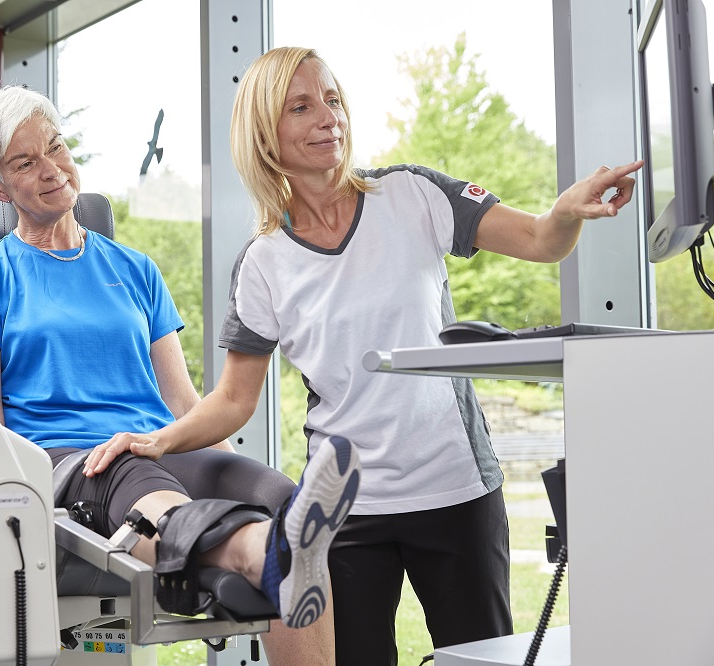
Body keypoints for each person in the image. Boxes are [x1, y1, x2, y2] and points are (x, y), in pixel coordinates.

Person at [83, 46, 643, 664]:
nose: (329, 117)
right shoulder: (263, 263)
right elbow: (234, 400)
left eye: (333, 99)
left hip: (456, 491)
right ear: (266, 135)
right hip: (344, 510)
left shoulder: (413, 194)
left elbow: (541, 240)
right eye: (302, 107)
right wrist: (159, 440)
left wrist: (566, 211)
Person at [0, 84, 361, 664]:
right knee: (140, 476)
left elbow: (184, 403)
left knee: (275, 492)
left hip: (152, 444)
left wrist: (223, 453)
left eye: (56, 147)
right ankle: (256, 552)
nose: (52, 169)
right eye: (25, 162)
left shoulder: (135, 269)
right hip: (68, 463)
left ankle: (277, 541)